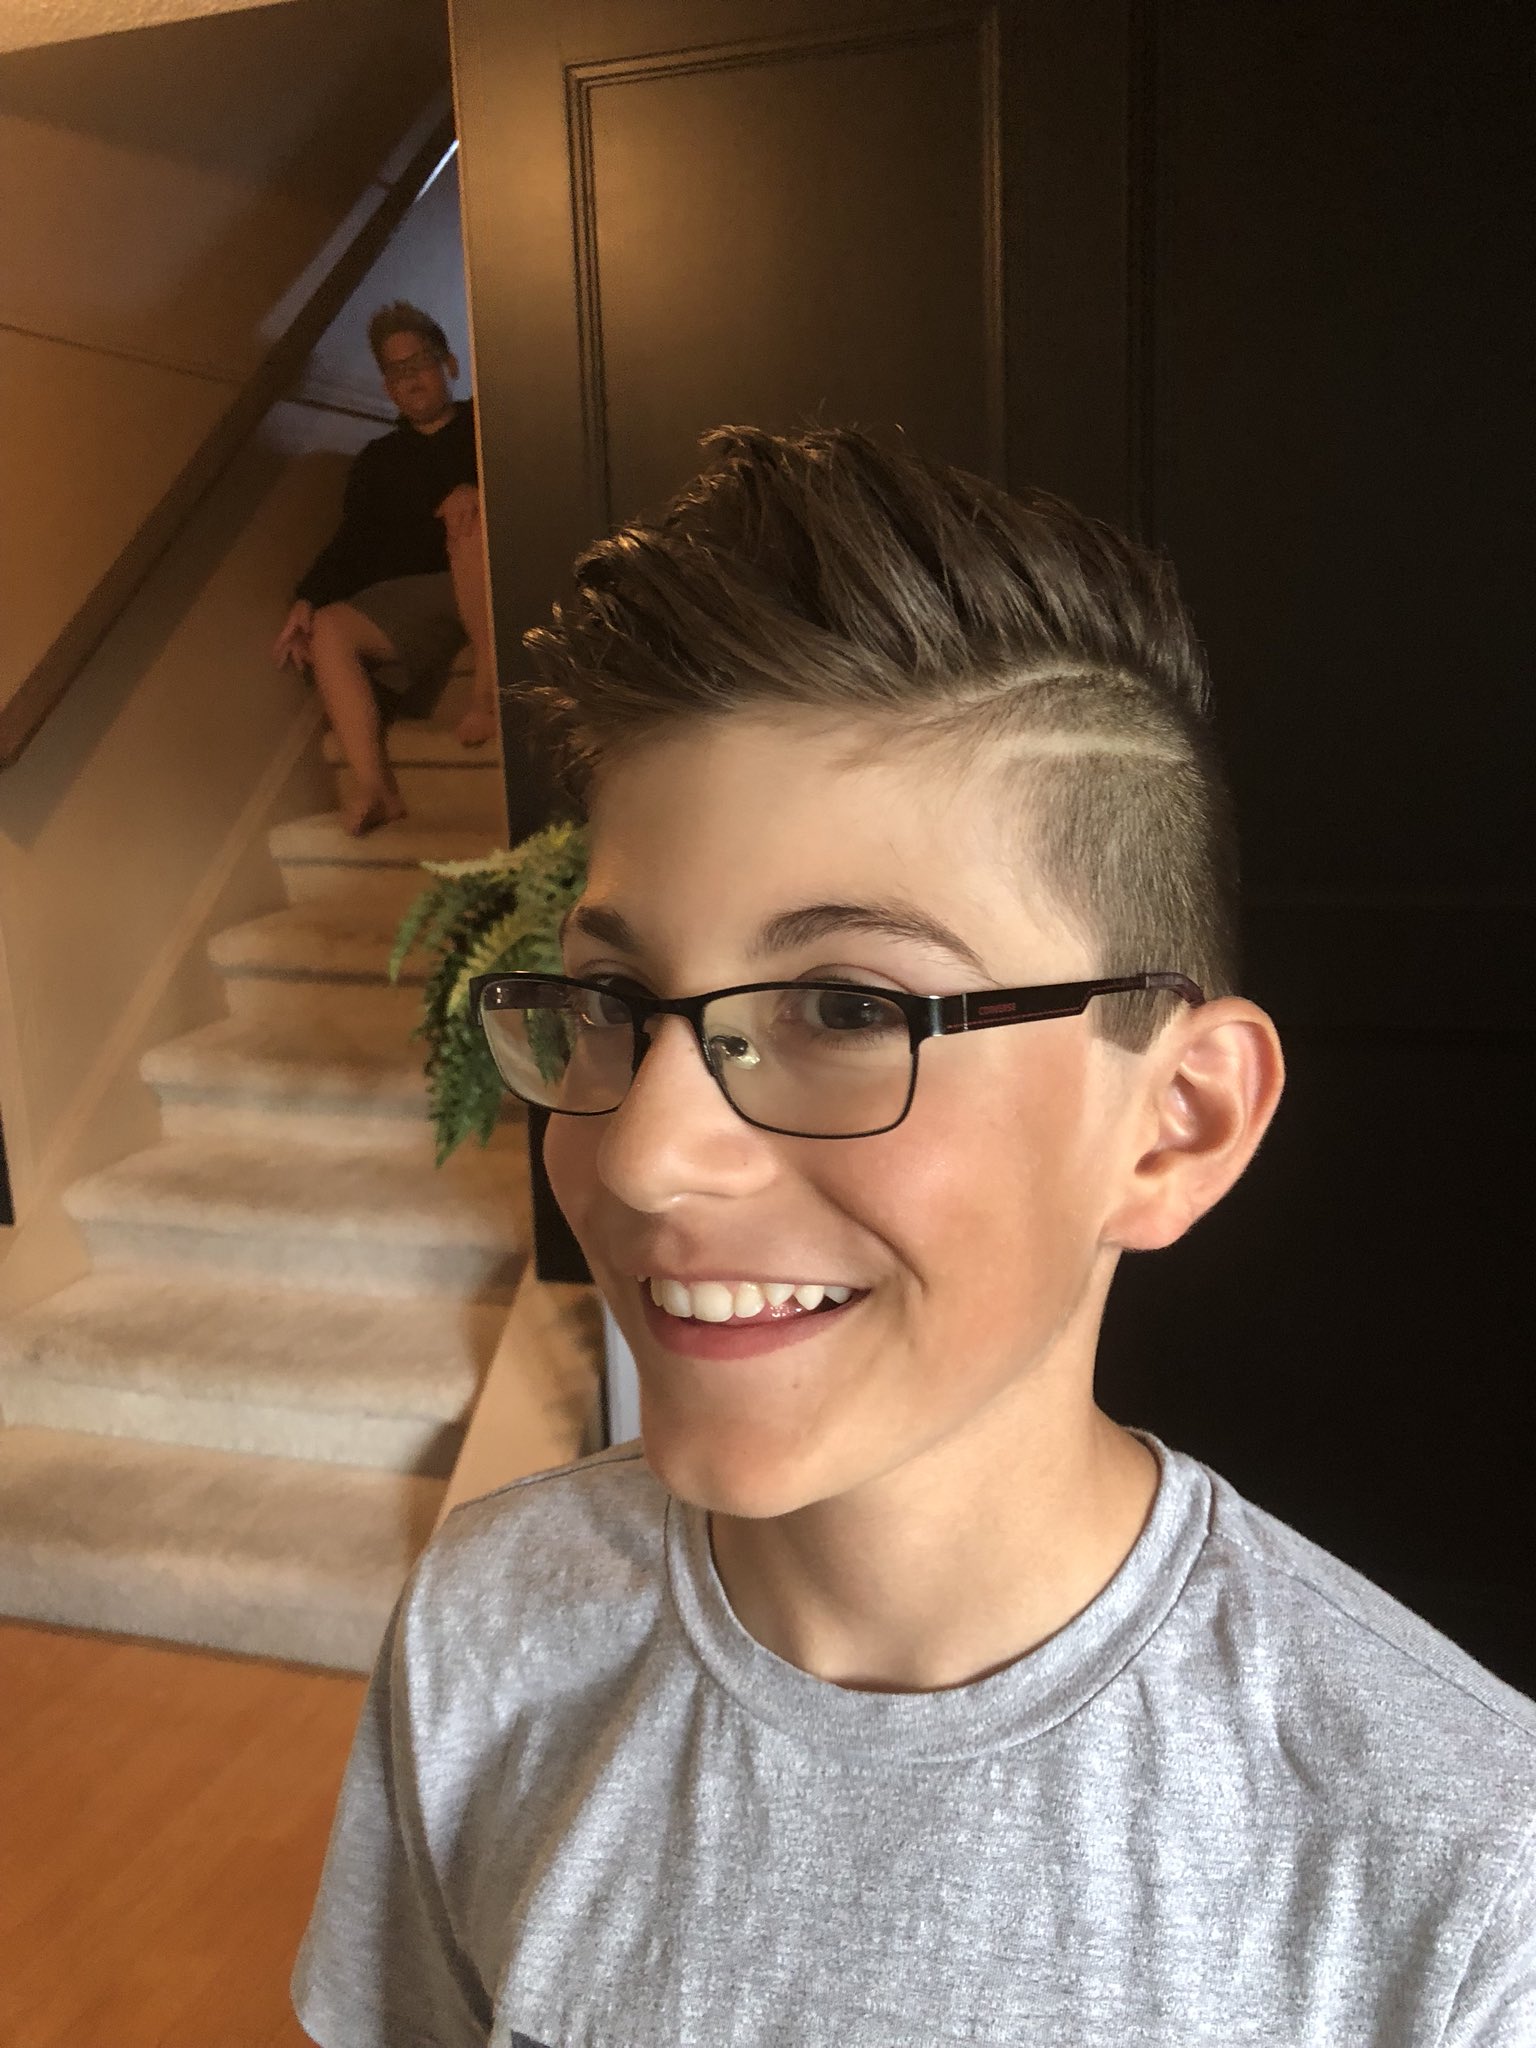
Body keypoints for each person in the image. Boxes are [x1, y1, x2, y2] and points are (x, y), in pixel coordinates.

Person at [291, 428, 1536, 2046]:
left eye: (848, 1007)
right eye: (611, 999)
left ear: (1176, 1123)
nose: (647, 1154)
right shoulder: (489, 1623)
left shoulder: (1462, 1885)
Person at [272, 301, 497, 835]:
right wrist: (307, 598)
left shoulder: (488, 424)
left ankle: (488, 695)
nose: (410, 379)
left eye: (419, 363)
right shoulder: (377, 460)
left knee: (467, 521)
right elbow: (353, 542)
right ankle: (377, 789)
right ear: (387, 387)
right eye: (396, 372)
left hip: (487, 572)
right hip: (421, 598)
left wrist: (479, 492)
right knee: (328, 627)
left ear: (449, 365)